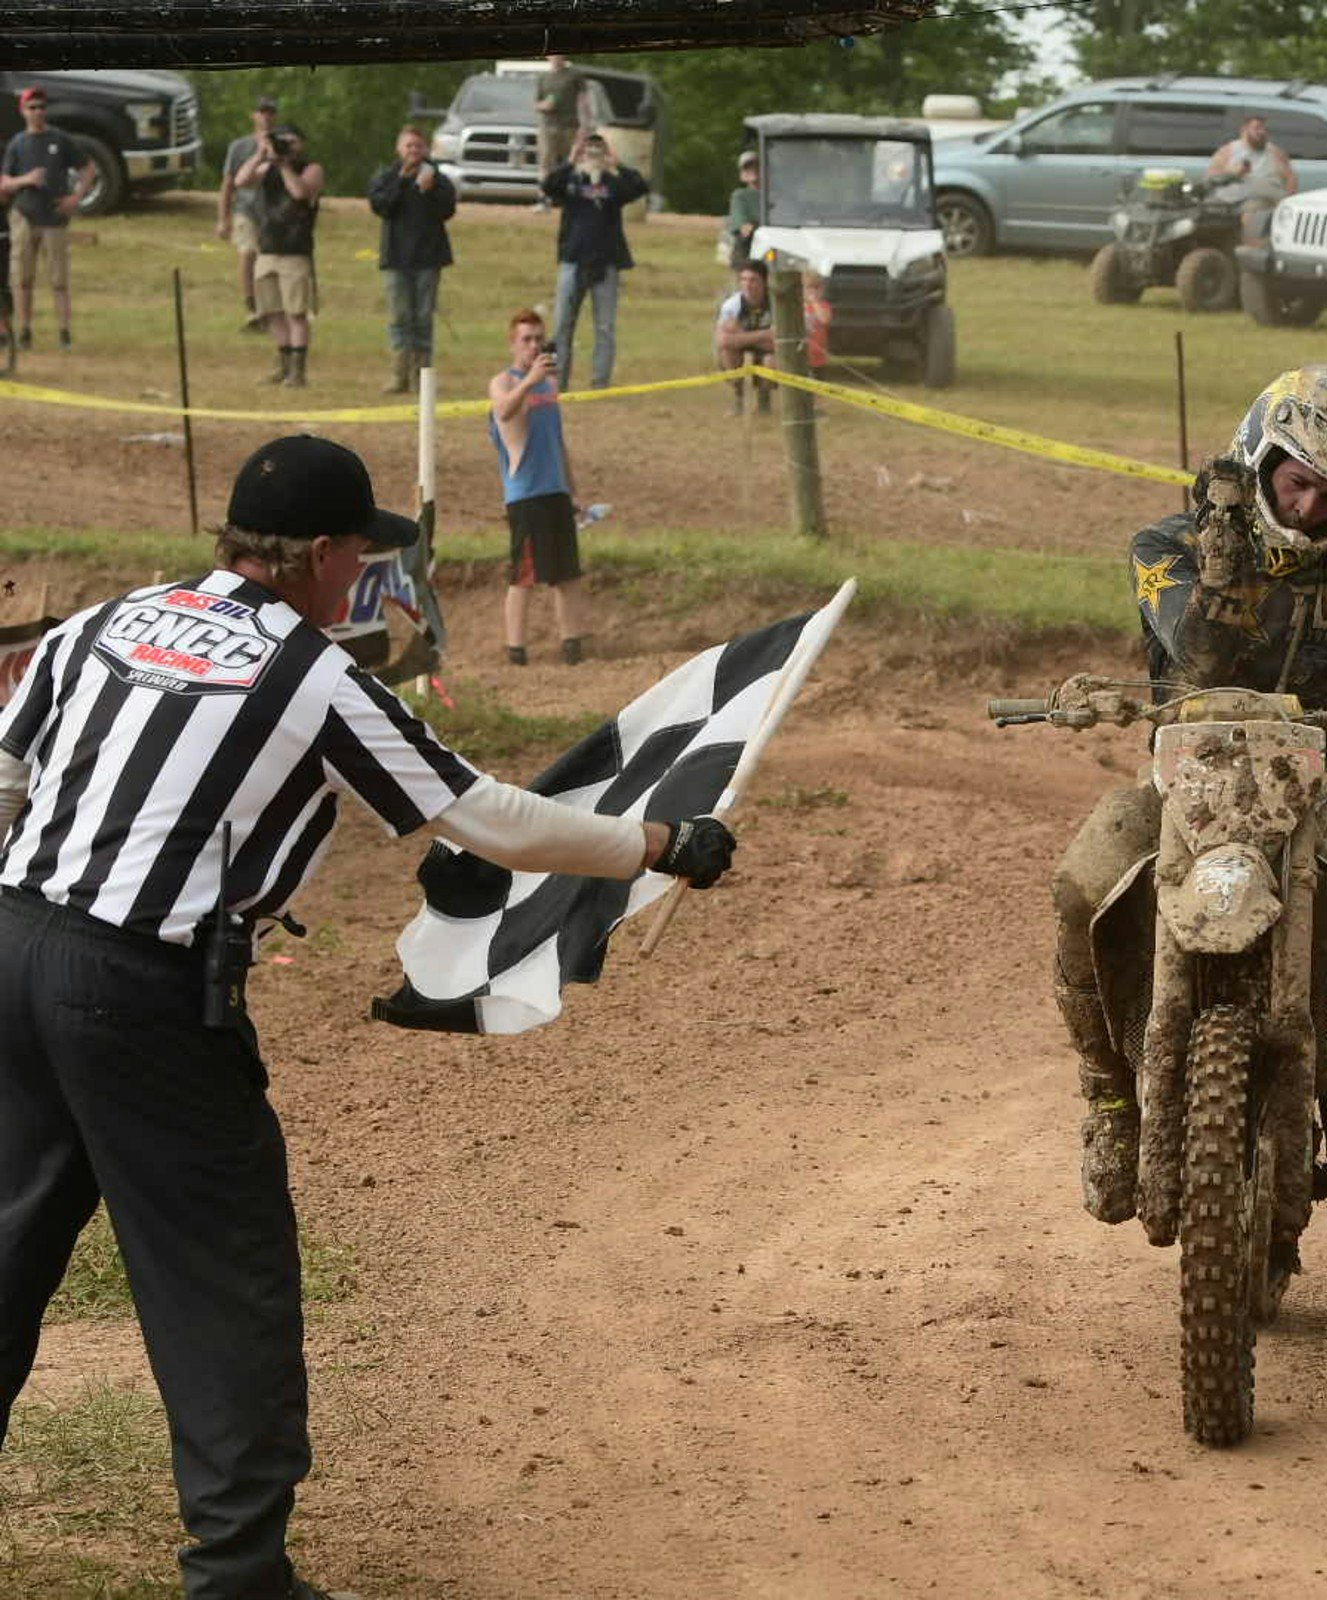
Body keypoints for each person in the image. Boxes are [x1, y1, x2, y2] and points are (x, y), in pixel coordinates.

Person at [0, 434, 735, 1600]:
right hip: (140, 987)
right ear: (327, 555)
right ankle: (239, 1574)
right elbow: (483, 818)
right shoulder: (314, 674)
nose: (360, 578)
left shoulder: (107, 619)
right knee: (223, 1276)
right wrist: (654, 841)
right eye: (358, 556)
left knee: (7, 1242)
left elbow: (11, 768)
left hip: (15, 937)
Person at [1049, 365, 1327, 1262]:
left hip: (1319, 778)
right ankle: (1104, 1089)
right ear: (1261, 458)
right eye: (1300, 483)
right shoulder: (1165, 543)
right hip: (1188, 773)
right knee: (1083, 884)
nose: (1314, 507)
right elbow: (1197, 653)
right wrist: (1221, 553)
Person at [489, 307, 590, 665]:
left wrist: (573, 490)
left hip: (555, 491)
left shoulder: (549, 385)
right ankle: (516, 649)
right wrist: (529, 380)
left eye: (538, 338)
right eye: (526, 339)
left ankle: (572, 644)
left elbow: (558, 441)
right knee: (524, 575)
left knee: (566, 574)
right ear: (513, 343)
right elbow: (503, 410)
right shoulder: (504, 382)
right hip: (525, 494)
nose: (533, 346)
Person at [540, 131, 648, 391]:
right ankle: (558, 382)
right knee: (562, 325)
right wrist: (571, 160)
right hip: (573, 261)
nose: (593, 154)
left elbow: (640, 187)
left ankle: (600, 383)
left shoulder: (613, 185)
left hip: (606, 263)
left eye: (598, 149)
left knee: (604, 327)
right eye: (589, 149)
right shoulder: (571, 182)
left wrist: (616, 163)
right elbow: (547, 185)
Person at [2, 86, 97, 352]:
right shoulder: (18, 143)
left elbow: (88, 168)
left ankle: (64, 333)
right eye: (32, 107)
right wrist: (27, 179)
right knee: (22, 279)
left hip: (54, 219)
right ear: (23, 111)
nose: (38, 112)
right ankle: (24, 330)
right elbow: (4, 181)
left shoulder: (60, 139)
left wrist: (75, 197)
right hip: (24, 216)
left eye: (42, 107)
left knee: (58, 280)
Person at [366, 124, 458, 394]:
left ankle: (422, 376)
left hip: (428, 258)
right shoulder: (387, 176)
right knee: (399, 317)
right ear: (399, 149)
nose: (413, 151)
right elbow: (380, 206)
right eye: (409, 146)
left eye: (418, 146)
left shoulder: (437, 178)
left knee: (422, 317)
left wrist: (429, 191)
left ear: (426, 148)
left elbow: (448, 209)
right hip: (396, 258)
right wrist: (404, 182)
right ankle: (399, 374)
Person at [236, 123, 325, 388]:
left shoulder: (311, 169)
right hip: (267, 248)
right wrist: (260, 155)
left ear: (301, 144)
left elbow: (300, 192)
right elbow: (241, 181)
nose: (287, 146)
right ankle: (282, 364)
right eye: (283, 141)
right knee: (272, 312)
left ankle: (298, 371)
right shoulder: (267, 169)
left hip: (295, 251)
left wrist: (285, 165)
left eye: (292, 141)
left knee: (295, 313)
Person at [216, 95, 278, 332]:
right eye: (262, 111)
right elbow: (228, 184)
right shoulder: (239, 147)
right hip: (246, 209)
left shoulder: (282, 144)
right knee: (247, 253)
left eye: (270, 112)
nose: (266, 116)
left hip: (273, 212)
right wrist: (223, 218)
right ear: (253, 115)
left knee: (270, 262)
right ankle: (250, 306)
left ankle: (269, 309)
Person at [1206, 114, 1295, 241]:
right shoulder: (1228, 151)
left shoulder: (1274, 152)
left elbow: (1290, 178)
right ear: (1244, 130)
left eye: (1264, 129)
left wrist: (1287, 203)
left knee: (1252, 212)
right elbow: (1212, 176)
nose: (1262, 132)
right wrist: (1232, 172)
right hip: (1229, 201)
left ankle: (1248, 250)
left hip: (1261, 200)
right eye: (1257, 128)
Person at [715, 260, 776, 414]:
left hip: (770, 354)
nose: (747, 285)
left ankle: (764, 400)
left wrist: (740, 336)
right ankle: (739, 397)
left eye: (753, 280)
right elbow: (722, 340)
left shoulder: (776, 304)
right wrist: (764, 335)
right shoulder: (732, 305)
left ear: (764, 282)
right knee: (727, 352)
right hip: (744, 351)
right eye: (744, 280)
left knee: (770, 361)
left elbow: (779, 343)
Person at [533, 53, 591, 197]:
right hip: (547, 125)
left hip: (570, 126)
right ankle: (543, 198)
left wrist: (585, 125)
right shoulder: (543, 77)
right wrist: (544, 106)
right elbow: (536, 103)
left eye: (559, 54)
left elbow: (583, 101)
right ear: (548, 56)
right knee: (546, 161)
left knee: (570, 160)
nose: (556, 57)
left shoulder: (575, 74)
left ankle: (569, 197)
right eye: (553, 55)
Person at [722, 147, 761, 275]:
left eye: (756, 166)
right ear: (742, 174)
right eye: (747, 168)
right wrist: (748, 225)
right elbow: (743, 226)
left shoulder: (775, 195)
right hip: (747, 246)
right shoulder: (740, 195)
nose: (753, 171)